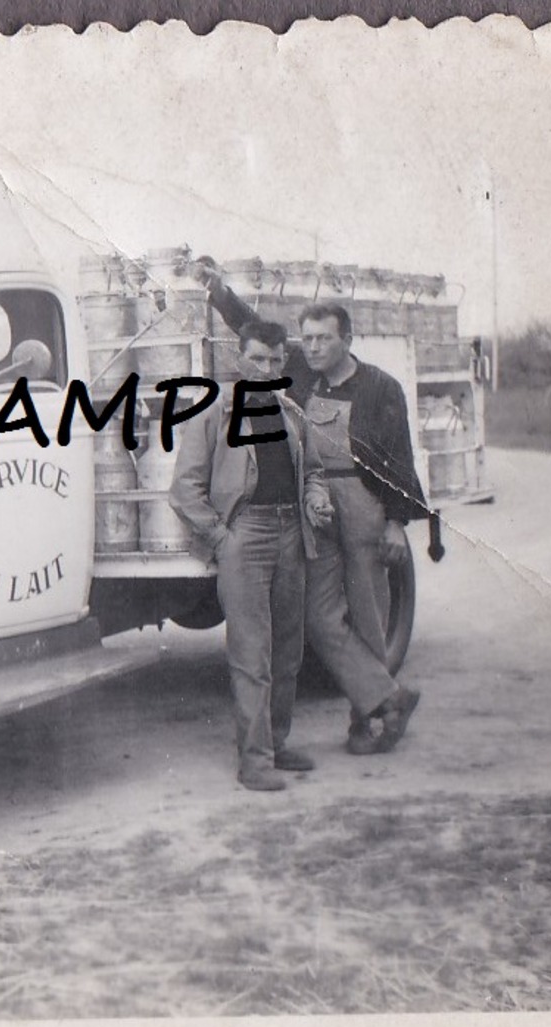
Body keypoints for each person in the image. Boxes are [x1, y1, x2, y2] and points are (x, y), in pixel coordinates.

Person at [202, 268, 426, 754]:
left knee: (369, 619)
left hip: (364, 504)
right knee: (320, 619)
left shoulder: (379, 387)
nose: (315, 346)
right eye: (308, 339)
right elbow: (255, 323)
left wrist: (396, 522)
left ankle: (367, 723)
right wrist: (222, 296)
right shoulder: (301, 374)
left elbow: (400, 459)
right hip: (318, 508)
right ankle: (389, 699)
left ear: (347, 339)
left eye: (325, 338)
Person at [168, 319, 332, 791]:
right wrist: (222, 538)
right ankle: (254, 759)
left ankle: (277, 744)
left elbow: (314, 471)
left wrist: (315, 497)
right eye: (258, 358)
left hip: (291, 533)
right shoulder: (214, 412)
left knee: (288, 650)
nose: (267, 368)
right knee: (251, 653)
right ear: (239, 358)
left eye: (277, 360)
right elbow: (184, 490)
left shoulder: (291, 411)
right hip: (246, 535)